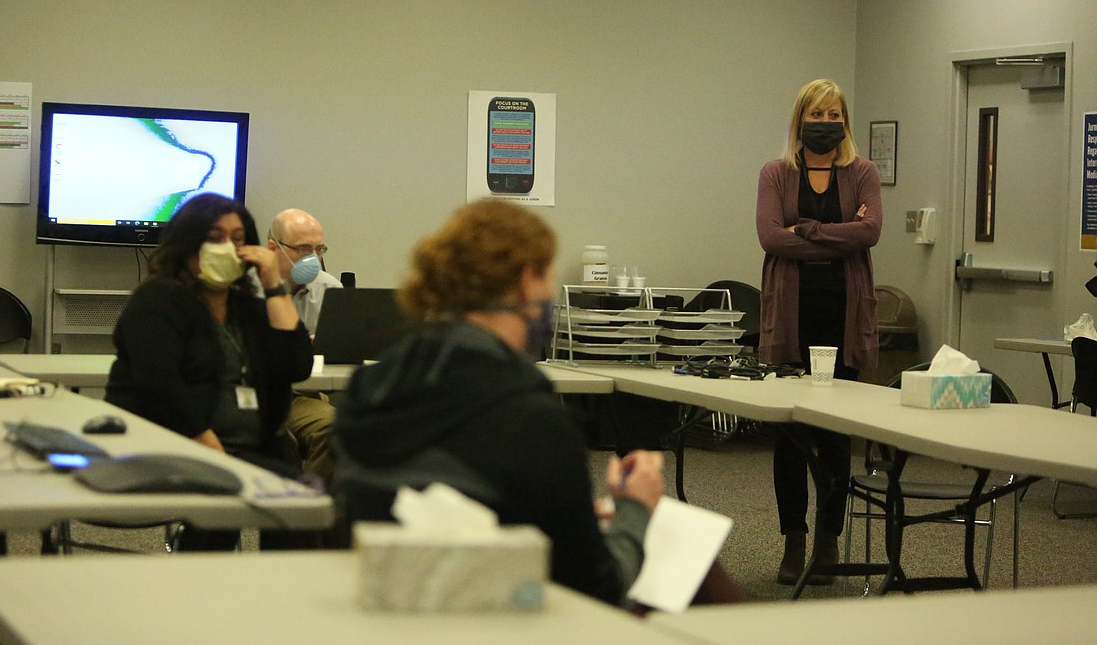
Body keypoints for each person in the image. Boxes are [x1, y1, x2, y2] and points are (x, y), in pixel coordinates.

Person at [332, 200, 744, 607]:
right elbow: (596, 589)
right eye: (548, 274)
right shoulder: (530, 415)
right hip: (503, 620)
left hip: (389, 600)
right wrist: (635, 508)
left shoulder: (370, 386)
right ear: (527, 280)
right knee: (694, 557)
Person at [106, 193, 314, 549]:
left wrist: (273, 285)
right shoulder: (157, 300)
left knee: (302, 507)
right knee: (227, 507)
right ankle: (195, 594)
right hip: (180, 443)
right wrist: (210, 449)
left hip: (249, 448)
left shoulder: (245, 308)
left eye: (236, 239)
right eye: (214, 237)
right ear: (186, 245)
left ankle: (280, 594)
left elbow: (296, 364)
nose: (227, 247)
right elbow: (159, 386)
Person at [756, 78, 881, 585]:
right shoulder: (776, 173)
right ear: (800, 119)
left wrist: (803, 230)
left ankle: (829, 540)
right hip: (792, 315)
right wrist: (836, 237)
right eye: (818, 114)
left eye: (835, 115)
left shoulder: (863, 172)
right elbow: (769, 237)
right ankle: (794, 541)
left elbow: (870, 233)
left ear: (844, 121)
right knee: (789, 435)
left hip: (843, 314)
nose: (826, 123)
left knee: (833, 436)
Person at [266, 208, 342, 482]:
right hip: (250, 394)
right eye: (302, 249)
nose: (313, 258)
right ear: (273, 247)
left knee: (334, 428)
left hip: (302, 396)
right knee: (274, 440)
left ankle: (310, 512)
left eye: (318, 249)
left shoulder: (329, 289)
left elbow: (343, 350)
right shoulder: (243, 288)